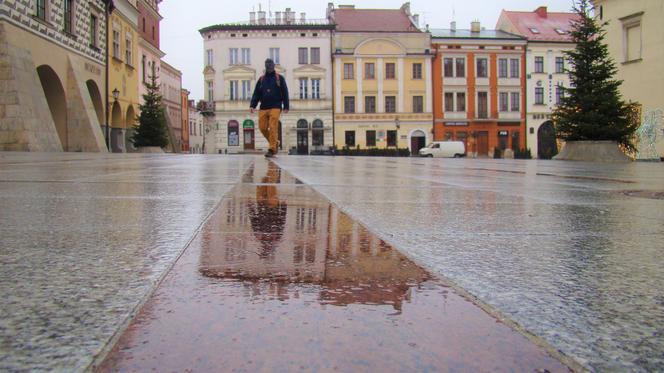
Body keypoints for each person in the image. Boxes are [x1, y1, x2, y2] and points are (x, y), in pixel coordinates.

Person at [250, 58, 289, 158]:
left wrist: (286, 105)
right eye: (267, 65)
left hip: (276, 106)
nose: (269, 67)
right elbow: (256, 93)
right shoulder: (261, 79)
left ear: (273, 66)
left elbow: (285, 92)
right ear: (265, 66)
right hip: (263, 107)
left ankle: (272, 149)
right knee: (262, 128)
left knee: (273, 127)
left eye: (271, 65)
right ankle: (275, 143)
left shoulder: (279, 78)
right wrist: (252, 105)